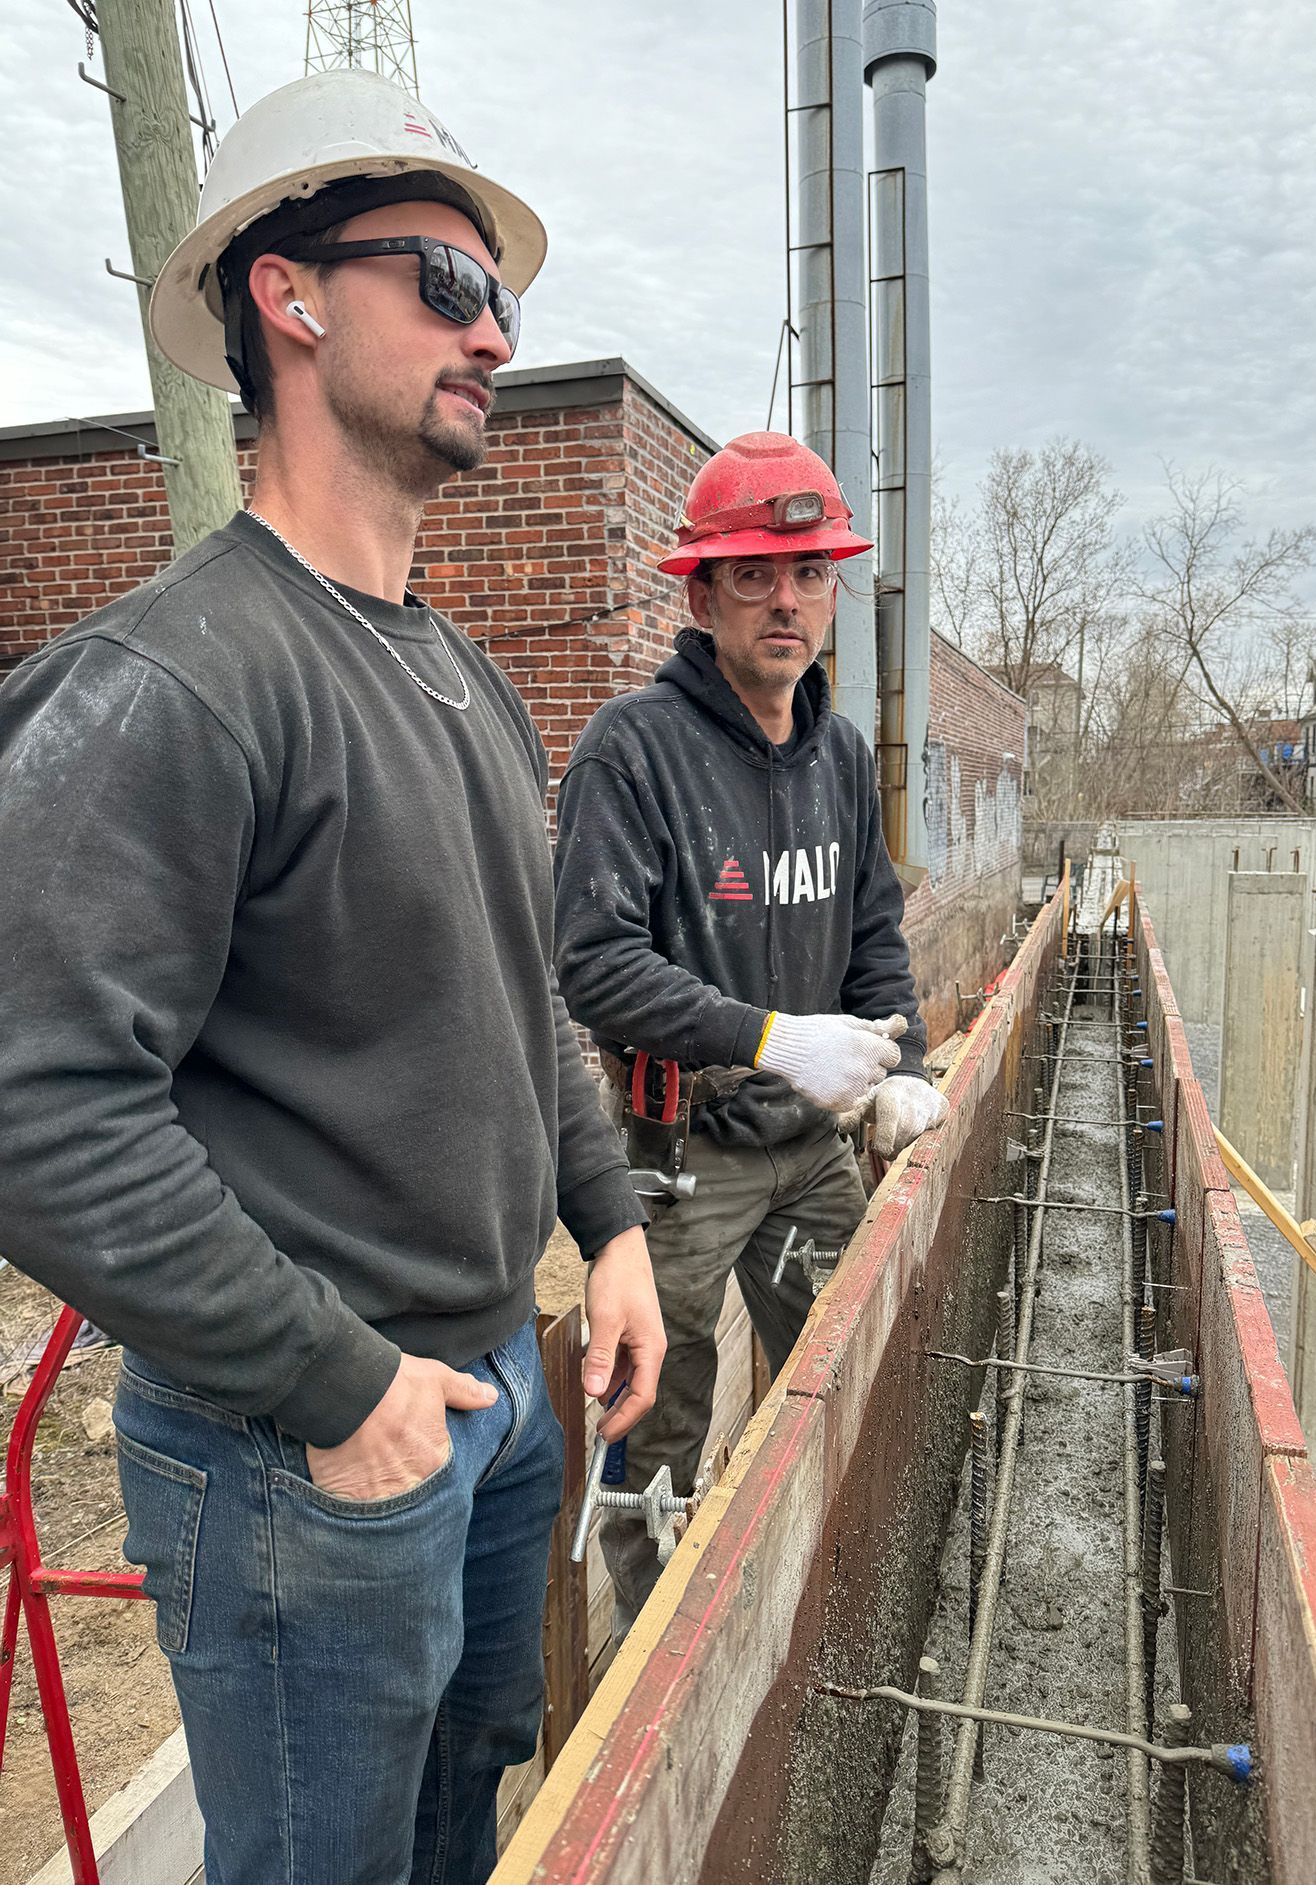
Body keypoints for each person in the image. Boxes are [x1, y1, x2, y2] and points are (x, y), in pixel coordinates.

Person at [0, 69, 663, 1885]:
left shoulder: (457, 674)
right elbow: (32, 1096)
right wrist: (331, 1383)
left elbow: (522, 994)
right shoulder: (181, 677)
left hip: (490, 1406)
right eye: (445, 281)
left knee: (454, 1826)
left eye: (502, 295)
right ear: (286, 296)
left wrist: (602, 1227)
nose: (494, 331)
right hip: (305, 1461)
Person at [553, 430, 947, 1634]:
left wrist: (904, 1067)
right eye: (755, 574)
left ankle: (840, 1603)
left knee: (864, 1348)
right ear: (702, 590)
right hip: (681, 1162)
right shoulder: (638, 750)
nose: (787, 599)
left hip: (809, 1147)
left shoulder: (835, 754)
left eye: (811, 573)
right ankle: (653, 1648)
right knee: (659, 1416)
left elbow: (875, 931)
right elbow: (595, 967)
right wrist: (768, 1035)